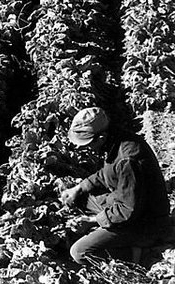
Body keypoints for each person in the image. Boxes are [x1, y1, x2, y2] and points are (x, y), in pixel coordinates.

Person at [59, 107, 171, 265]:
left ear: (101, 137)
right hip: (126, 203)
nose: (82, 147)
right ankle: (106, 232)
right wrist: (79, 188)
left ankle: (142, 254)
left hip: (144, 223)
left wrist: (93, 221)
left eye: (87, 143)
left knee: (79, 252)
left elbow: (127, 211)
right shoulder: (115, 140)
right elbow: (107, 174)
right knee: (81, 198)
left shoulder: (127, 159)